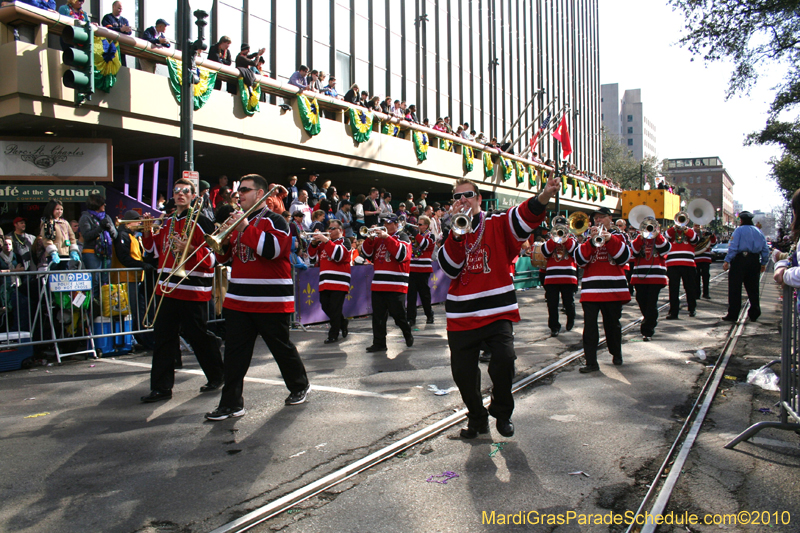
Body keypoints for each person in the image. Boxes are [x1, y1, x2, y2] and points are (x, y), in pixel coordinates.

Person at [437, 176, 558, 439]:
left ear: (479, 198)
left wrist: (544, 195)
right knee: (463, 375)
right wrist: (456, 234)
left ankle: (502, 412)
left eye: (467, 195)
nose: (462, 201)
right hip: (462, 315)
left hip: (497, 311)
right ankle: (477, 419)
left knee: (504, 362)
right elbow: (450, 268)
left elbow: (526, 215)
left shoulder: (497, 222)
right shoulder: (452, 233)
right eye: (457, 198)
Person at [206, 174, 310, 420]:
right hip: (239, 298)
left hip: (271, 298)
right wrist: (220, 242)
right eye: (238, 190)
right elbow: (225, 259)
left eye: (244, 190)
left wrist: (245, 229)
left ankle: (299, 385)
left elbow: (273, 251)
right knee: (234, 354)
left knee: (280, 347)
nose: (238, 194)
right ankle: (231, 404)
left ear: (259, 193)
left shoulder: (276, 220)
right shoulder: (237, 220)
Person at [140, 179, 224, 403]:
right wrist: (147, 231)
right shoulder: (167, 221)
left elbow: (213, 257)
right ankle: (161, 387)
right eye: (176, 190)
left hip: (192, 288)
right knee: (163, 338)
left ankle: (217, 374)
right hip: (167, 287)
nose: (180, 194)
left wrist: (189, 249)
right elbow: (155, 251)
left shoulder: (202, 221)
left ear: (193, 196)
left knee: (198, 335)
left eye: (185, 191)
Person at [574, 206, 632, 373]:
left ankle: (616, 353)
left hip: (613, 289)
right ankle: (591, 362)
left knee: (612, 325)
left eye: (601, 217)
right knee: (590, 328)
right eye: (596, 218)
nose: (598, 221)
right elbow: (580, 261)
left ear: (610, 219)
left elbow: (624, 258)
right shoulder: (588, 238)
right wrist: (591, 242)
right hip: (591, 290)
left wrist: (609, 240)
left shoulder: (620, 236)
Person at [360, 214, 414, 351]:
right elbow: (366, 254)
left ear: (396, 224)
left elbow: (402, 255)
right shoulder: (378, 239)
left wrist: (387, 238)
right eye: (384, 222)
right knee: (378, 316)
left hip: (396, 284)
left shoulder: (402, 236)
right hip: (378, 283)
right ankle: (379, 343)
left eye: (389, 223)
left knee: (398, 315)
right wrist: (370, 239)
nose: (386, 225)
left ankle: (407, 332)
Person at [112, 210, 154, 342]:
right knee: (132, 309)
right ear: (129, 222)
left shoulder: (133, 237)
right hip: (125, 278)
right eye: (137, 221)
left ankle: (140, 336)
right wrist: (141, 265)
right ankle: (134, 337)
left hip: (134, 277)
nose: (139, 223)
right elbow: (124, 257)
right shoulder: (123, 236)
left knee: (138, 308)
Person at [308, 219, 352, 343]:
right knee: (325, 306)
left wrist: (325, 240)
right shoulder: (324, 243)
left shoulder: (345, 241)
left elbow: (338, 256)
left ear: (340, 230)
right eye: (329, 228)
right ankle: (343, 322)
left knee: (335, 308)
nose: (329, 230)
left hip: (339, 281)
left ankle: (333, 334)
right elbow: (311, 257)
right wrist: (314, 243)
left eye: (333, 228)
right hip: (325, 281)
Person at [721, 211, 770, 322]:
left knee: (735, 289)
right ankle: (754, 313)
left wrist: (727, 260)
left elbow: (733, 247)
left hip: (739, 261)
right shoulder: (759, 232)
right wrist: (763, 263)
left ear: (741, 220)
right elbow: (765, 249)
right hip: (754, 261)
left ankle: (733, 314)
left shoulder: (738, 231)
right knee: (753, 288)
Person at [630, 223, 671, 341]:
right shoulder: (639, 239)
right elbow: (634, 251)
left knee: (651, 303)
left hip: (656, 276)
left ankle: (647, 330)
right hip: (640, 276)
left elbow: (665, 249)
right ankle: (649, 319)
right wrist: (641, 237)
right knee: (641, 300)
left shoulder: (660, 239)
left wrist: (656, 235)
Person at [540, 220, 578, 337]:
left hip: (568, 276)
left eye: (563, 226)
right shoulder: (550, 241)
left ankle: (571, 318)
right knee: (552, 304)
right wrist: (554, 239)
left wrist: (565, 238)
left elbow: (574, 251)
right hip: (552, 277)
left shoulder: (572, 240)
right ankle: (554, 326)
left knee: (568, 302)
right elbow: (545, 252)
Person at [79, 193, 117, 297]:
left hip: (106, 253)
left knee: (105, 281)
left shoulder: (106, 217)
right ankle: (93, 308)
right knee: (94, 281)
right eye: (102, 203)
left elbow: (115, 234)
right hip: (91, 253)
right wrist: (100, 228)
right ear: (96, 204)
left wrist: (109, 228)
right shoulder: (85, 217)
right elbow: (86, 235)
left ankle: (104, 307)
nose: (104, 205)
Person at [665, 219, 699, 319]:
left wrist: (685, 229)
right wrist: (674, 228)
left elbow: (695, 240)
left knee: (690, 288)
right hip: (673, 264)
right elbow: (664, 238)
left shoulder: (690, 231)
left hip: (688, 264)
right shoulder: (671, 231)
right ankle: (673, 312)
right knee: (673, 289)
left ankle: (692, 308)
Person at [405, 215, 435, 326]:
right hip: (412, 269)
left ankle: (429, 315)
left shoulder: (430, 236)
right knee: (411, 295)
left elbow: (424, 244)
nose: (417, 226)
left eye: (420, 224)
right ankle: (411, 318)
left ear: (426, 226)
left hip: (423, 270)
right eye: (417, 224)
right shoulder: (414, 236)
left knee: (424, 295)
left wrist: (413, 232)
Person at [39, 199, 80, 269]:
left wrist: (73, 250)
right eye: (57, 209)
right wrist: (53, 252)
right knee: (54, 275)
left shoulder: (65, 223)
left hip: (65, 254)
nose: (60, 211)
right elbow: (46, 239)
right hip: (53, 256)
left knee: (65, 275)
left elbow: (72, 237)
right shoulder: (47, 222)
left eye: (61, 209)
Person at [102, 1, 132, 66]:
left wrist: (126, 30)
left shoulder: (124, 20)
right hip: (109, 48)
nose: (120, 10)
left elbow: (129, 32)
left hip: (122, 49)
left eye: (121, 9)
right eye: (118, 8)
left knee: (122, 67)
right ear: (113, 7)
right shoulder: (107, 17)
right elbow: (108, 29)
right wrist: (120, 29)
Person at [693, 224, 717, 299]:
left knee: (706, 276)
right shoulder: (691, 233)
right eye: (696, 225)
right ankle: (697, 294)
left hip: (705, 258)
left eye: (698, 225)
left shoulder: (706, 233)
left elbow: (713, 243)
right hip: (696, 257)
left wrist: (712, 236)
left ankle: (706, 293)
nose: (697, 227)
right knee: (696, 277)